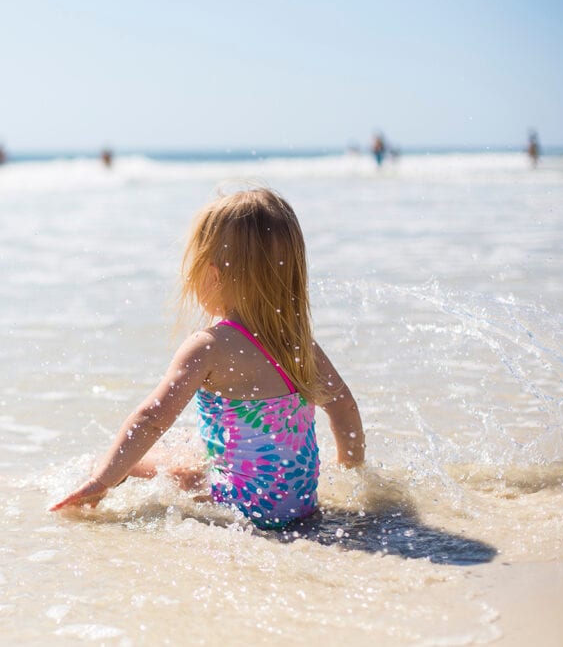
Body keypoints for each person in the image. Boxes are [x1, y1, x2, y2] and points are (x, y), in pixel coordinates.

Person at [50, 188, 366, 529]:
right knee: (190, 441)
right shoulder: (301, 345)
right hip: (299, 506)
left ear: (213, 275)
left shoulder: (209, 346)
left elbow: (152, 419)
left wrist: (103, 480)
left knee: (129, 464)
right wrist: (352, 473)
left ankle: (72, 483)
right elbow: (344, 407)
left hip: (241, 508)